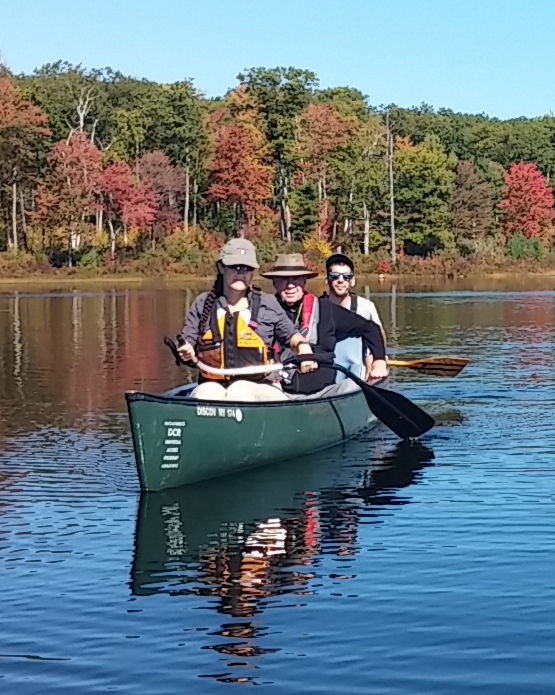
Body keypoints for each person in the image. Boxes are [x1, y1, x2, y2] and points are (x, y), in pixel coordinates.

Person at [178, 239, 316, 401]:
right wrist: (186, 352)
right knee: (206, 394)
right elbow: (187, 343)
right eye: (235, 267)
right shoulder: (203, 304)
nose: (241, 273)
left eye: (247, 268)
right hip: (212, 383)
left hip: (262, 385)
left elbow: (292, 336)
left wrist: (304, 349)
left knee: (240, 390)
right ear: (221, 268)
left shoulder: (268, 303)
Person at [261, 253, 388, 396]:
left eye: (296, 279)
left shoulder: (326, 309)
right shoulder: (262, 311)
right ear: (274, 282)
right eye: (283, 279)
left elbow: (370, 328)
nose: (290, 285)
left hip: (323, 391)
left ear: (304, 281)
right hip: (274, 388)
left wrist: (379, 360)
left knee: (354, 386)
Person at [322, 252, 387, 381]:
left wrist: (378, 360)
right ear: (327, 280)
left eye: (346, 277)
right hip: (326, 368)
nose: (341, 280)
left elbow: (379, 337)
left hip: (358, 369)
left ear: (352, 281)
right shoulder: (317, 306)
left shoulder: (366, 307)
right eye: (335, 276)